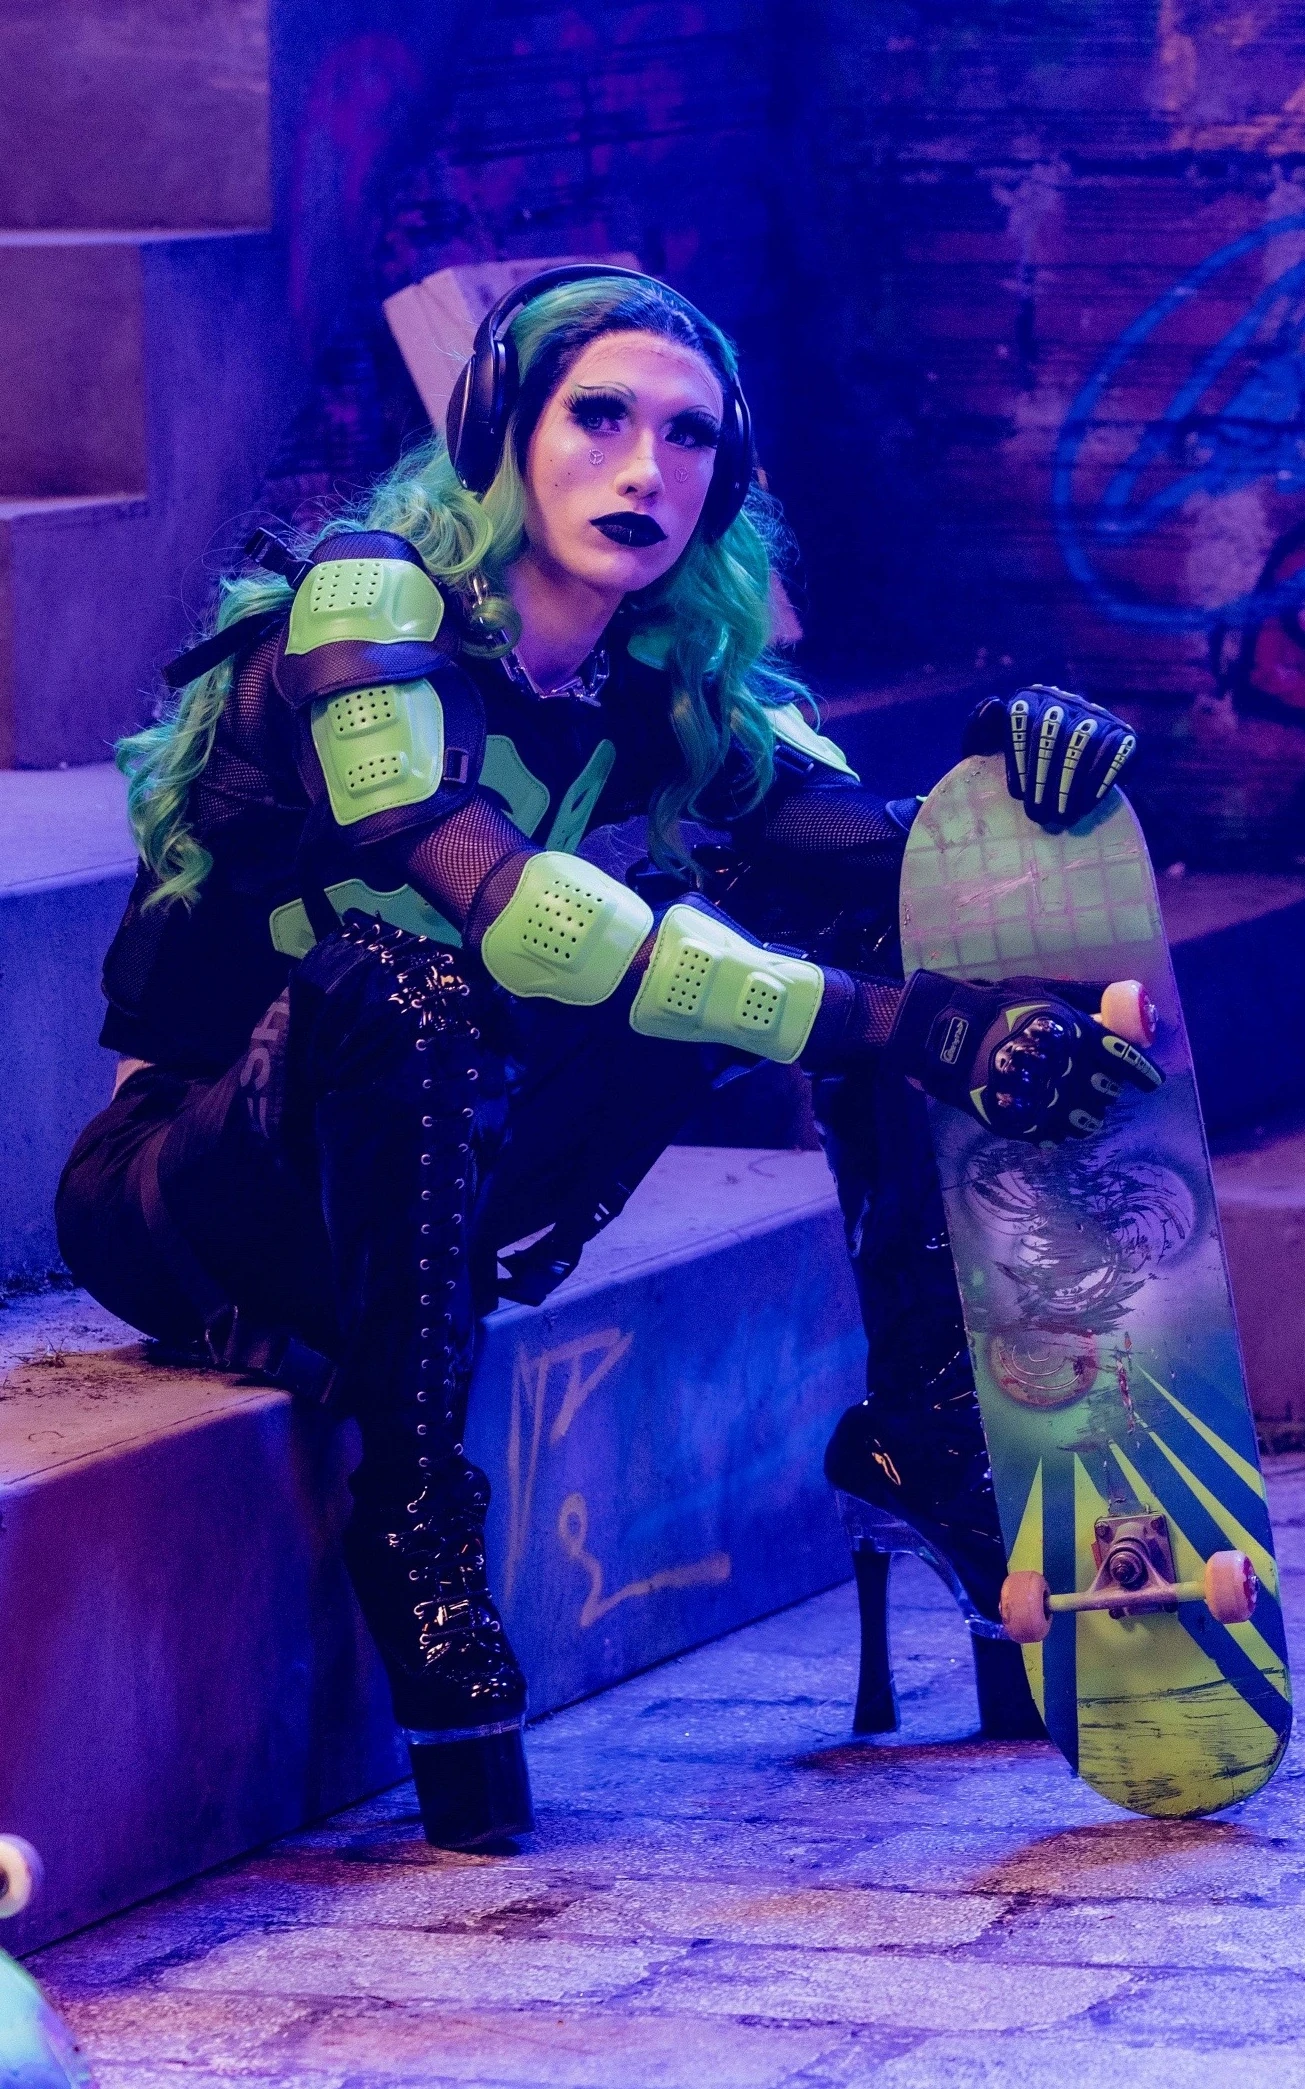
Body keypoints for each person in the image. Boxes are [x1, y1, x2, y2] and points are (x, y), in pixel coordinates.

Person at [56, 266, 1158, 1850]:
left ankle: (926, 1426)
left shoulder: (665, 681)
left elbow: (890, 859)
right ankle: (418, 1525)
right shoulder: (362, 609)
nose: (646, 468)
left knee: (841, 913)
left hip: (433, 1174)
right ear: (500, 427)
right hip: (196, 1189)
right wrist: (920, 1033)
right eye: (600, 417)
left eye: (688, 436)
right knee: (419, 984)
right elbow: (521, 919)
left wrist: (1019, 777)